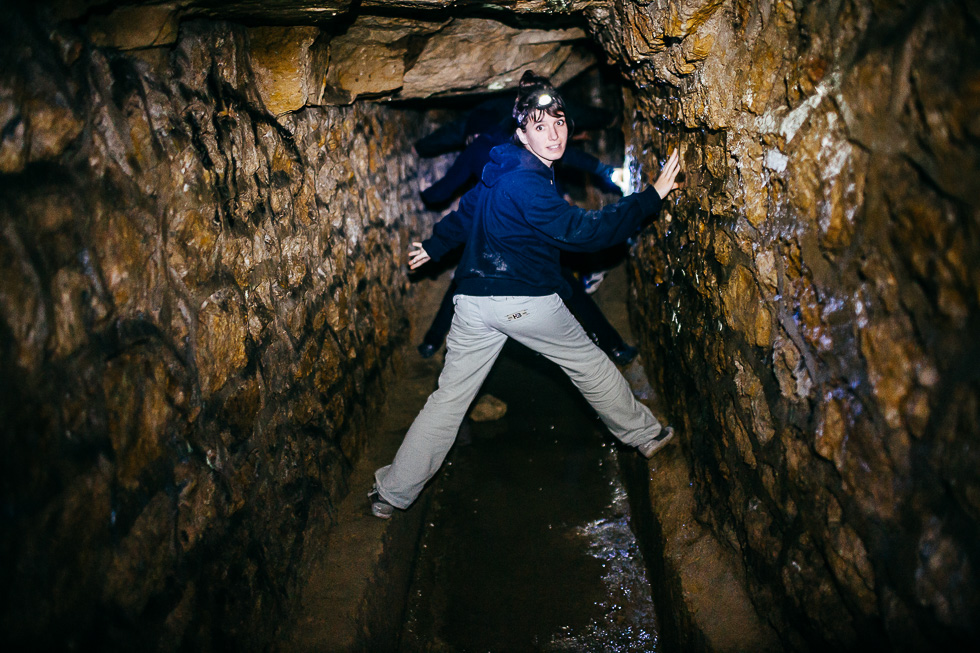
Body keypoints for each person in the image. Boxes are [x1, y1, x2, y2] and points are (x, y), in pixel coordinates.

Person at [369, 71, 683, 519]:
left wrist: (434, 246)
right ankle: (646, 436)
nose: (554, 134)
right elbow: (584, 232)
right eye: (541, 126)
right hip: (524, 301)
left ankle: (392, 494)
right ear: (522, 133)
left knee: (448, 399)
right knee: (591, 365)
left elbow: (466, 212)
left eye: (558, 122)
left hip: (473, 303)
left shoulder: (500, 168)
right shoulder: (530, 184)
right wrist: (648, 199)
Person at [415, 108, 634, 363]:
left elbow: (448, 188)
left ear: (472, 134)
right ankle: (614, 345)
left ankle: (431, 341)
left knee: (463, 283)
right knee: (568, 286)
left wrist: (425, 196)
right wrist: (602, 170)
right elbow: (567, 158)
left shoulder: (476, 149)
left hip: (492, 238)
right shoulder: (518, 146)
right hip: (535, 233)